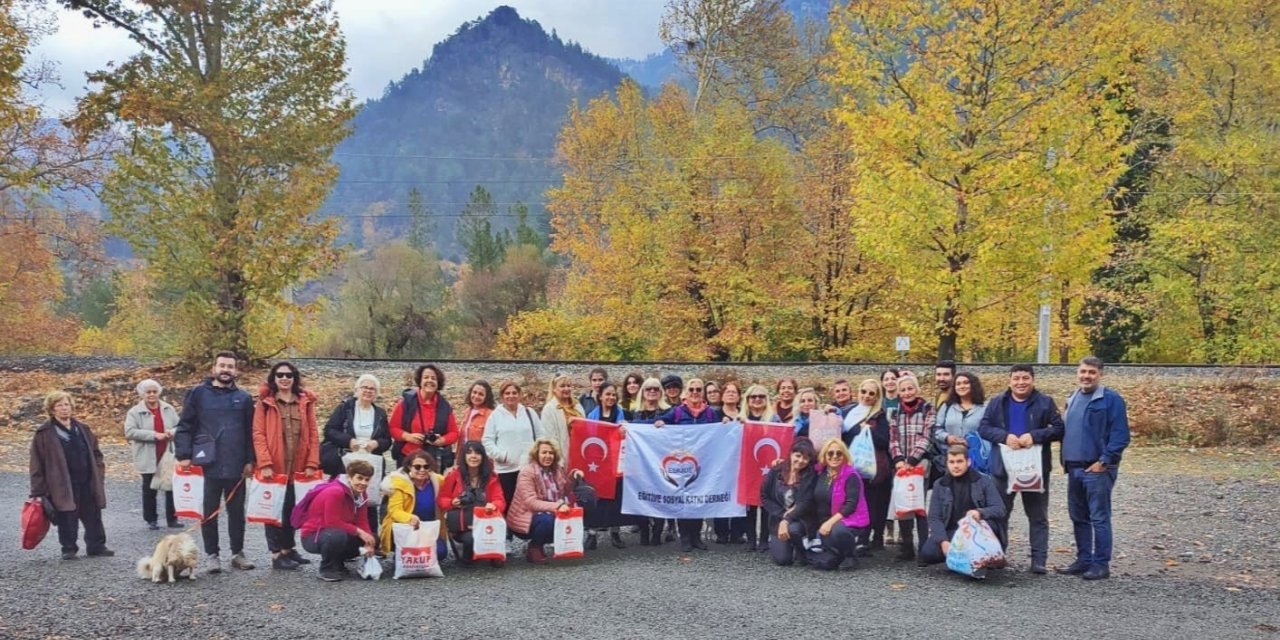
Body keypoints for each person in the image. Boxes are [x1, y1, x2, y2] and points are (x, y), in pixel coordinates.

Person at [978, 364, 1065, 574]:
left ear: (1033, 380)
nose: (1021, 382)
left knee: (1037, 515)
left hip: (1034, 469)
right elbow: (984, 428)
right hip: (1003, 469)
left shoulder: (1045, 402)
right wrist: (1004, 437)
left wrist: (1035, 436)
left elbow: (1059, 429)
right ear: (1009, 381)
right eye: (1016, 378)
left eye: (1025, 378)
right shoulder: (997, 402)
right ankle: (996, 554)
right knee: (999, 513)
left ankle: (1038, 560)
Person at [174, 351, 255, 574]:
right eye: (222, 366)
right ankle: (212, 555)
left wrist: (250, 460)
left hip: (236, 465)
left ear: (236, 371)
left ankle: (237, 553)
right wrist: (184, 454)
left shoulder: (244, 398)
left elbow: (250, 432)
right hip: (207, 464)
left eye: (230, 366)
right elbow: (185, 426)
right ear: (214, 369)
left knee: (237, 513)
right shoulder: (198, 394)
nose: (226, 370)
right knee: (209, 511)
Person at [1058, 357, 1130, 581]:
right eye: (1083, 371)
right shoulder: (1072, 398)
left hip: (1097, 469)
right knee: (1078, 517)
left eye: (1091, 372)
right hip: (1074, 468)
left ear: (1100, 374)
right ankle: (1083, 560)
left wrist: (1104, 461)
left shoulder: (1111, 399)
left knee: (1099, 518)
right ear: (1077, 373)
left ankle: (1101, 564)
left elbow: (1120, 435)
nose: (1086, 376)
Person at [252, 361, 322, 571]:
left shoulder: (305, 402)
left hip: (298, 466)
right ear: (274, 378)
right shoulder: (265, 403)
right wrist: (265, 463)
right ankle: (276, 554)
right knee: (273, 510)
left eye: (289, 375)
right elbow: (258, 434)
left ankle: (288, 548)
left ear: (294, 378)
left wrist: (312, 462)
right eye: (280, 375)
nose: (284, 378)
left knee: (293, 508)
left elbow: (313, 433)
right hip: (275, 466)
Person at [30, 391, 112, 560]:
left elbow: (97, 454)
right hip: (61, 483)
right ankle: (68, 548)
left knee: (93, 514)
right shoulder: (44, 433)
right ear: (52, 409)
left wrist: (99, 474)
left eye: (67, 404)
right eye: (59, 405)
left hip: (87, 480)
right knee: (67, 515)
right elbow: (36, 463)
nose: (64, 408)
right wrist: (38, 491)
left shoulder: (83, 429)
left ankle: (96, 546)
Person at [655, 378, 723, 552]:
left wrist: (726, 425)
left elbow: (721, 434)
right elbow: (659, 424)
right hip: (681, 464)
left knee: (699, 499)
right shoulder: (677, 412)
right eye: (691, 389)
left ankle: (696, 537)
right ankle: (685, 537)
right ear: (686, 392)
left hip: (703, 464)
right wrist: (656, 423)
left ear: (703, 393)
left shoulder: (711, 413)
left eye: (698, 389)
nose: (695, 393)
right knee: (683, 500)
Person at [919, 445, 1006, 577]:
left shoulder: (983, 481)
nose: (956, 466)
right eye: (952, 462)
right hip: (953, 531)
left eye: (959, 461)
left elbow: (999, 508)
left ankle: (981, 560)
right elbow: (934, 517)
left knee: (988, 528)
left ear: (968, 462)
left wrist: (980, 512)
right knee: (928, 553)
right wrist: (943, 541)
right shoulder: (940, 484)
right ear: (947, 463)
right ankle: (958, 559)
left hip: (978, 531)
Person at [320, 374, 391, 535]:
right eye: (364, 387)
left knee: (368, 501)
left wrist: (376, 443)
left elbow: (387, 440)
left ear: (376, 393)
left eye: (372, 389)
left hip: (370, 462)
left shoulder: (380, 413)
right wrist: (349, 441)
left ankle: (370, 538)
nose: (368, 391)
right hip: (347, 461)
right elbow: (329, 430)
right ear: (356, 390)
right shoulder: (345, 408)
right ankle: (343, 535)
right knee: (345, 499)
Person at [507, 438, 584, 564]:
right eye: (544, 452)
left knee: (575, 512)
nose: (548, 456)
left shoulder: (557, 469)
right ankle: (534, 546)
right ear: (536, 454)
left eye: (551, 453)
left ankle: (549, 543)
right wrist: (557, 506)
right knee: (547, 521)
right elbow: (531, 502)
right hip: (526, 517)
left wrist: (574, 476)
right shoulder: (527, 472)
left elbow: (565, 490)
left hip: (549, 511)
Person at [299, 459, 377, 582]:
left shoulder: (362, 494)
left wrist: (369, 540)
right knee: (337, 535)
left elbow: (362, 520)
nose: (363, 483)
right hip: (314, 535)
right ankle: (327, 568)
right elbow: (332, 522)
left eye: (367, 480)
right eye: (359, 478)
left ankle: (338, 562)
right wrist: (360, 532)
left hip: (336, 532)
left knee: (373, 538)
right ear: (349, 477)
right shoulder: (335, 492)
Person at [888, 375, 935, 561]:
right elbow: (893, 438)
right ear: (899, 393)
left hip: (920, 464)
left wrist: (913, 459)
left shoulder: (927, 409)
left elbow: (927, 436)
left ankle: (924, 548)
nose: (907, 393)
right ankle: (907, 547)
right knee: (903, 504)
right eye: (903, 390)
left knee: (918, 504)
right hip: (901, 465)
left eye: (910, 388)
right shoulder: (895, 412)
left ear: (917, 389)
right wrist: (898, 459)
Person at [438, 441, 506, 566]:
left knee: (499, 527)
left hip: (485, 522)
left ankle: (491, 552)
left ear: (483, 457)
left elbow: (500, 500)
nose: (473, 456)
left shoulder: (491, 477)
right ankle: (465, 549)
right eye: (469, 453)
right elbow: (442, 499)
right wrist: (452, 502)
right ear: (463, 456)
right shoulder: (454, 475)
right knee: (470, 544)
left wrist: (494, 505)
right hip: (463, 525)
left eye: (477, 453)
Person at [805, 439, 870, 570]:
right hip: (825, 519)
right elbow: (799, 465)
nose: (834, 456)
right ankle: (836, 554)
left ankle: (850, 556)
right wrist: (779, 464)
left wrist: (829, 523)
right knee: (827, 560)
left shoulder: (851, 475)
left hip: (850, 519)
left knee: (837, 531)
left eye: (839, 453)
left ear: (844, 455)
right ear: (824, 455)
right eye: (830, 453)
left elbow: (850, 505)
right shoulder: (820, 472)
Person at [123, 379, 180, 530]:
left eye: (154, 391)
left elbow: (180, 426)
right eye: (148, 392)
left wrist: (172, 432)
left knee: (171, 487)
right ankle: (151, 519)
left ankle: (172, 519)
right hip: (147, 454)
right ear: (142, 394)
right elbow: (129, 432)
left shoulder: (168, 408)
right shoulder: (134, 412)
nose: (152, 395)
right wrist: (153, 435)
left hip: (167, 453)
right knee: (149, 489)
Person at [845, 381, 893, 550]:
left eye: (871, 393)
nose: (866, 396)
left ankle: (869, 538)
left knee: (872, 503)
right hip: (850, 465)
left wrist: (869, 430)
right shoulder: (849, 412)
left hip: (869, 467)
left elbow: (884, 441)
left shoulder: (879, 416)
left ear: (877, 397)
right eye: (864, 391)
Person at [482, 380, 542, 510]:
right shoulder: (495, 416)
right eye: (507, 393)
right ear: (502, 396)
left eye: (514, 393)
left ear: (520, 395)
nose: (511, 396)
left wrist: (537, 456)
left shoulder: (529, 413)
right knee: (508, 503)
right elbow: (487, 441)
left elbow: (540, 436)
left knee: (528, 502)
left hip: (528, 467)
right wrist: (501, 456)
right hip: (506, 469)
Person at [584, 382, 630, 549]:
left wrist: (625, 431)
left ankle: (615, 532)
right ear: (600, 396)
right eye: (608, 394)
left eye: (613, 394)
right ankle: (592, 533)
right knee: (597, 498)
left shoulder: (621, 414)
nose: (611, 397)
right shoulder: (592, 415)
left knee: (616, 499)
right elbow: (586, 437)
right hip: (597, 463)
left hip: (616, 462)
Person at [379, 450, 448, 561]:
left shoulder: (438, 481)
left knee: (440, 553)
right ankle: (402, 552)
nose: (422, 470)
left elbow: (451, 488)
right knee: (407, 556)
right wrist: (409, 518)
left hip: (429, 529)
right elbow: (394, 511)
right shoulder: (399, 483)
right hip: (406, 528)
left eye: (426, 467)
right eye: (417, 467)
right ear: (409, 467)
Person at [389, 364, 459, 469]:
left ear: (438, 383)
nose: (429, 380)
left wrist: (441, 440)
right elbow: (393, 428)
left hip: (433, 459)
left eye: (433, 378)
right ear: (420, 381)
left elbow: (454, 433)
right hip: (408, 458)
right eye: (426, 377)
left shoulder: (444, 406)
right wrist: (408, 436)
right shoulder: (406, 402)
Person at [761, 439, 818, 566]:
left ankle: (801, 550)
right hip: (778, 518)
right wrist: (782, 515)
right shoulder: (776, 470)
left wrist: (786, 520)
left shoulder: (811, 475)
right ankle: (787, 545)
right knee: (783, 560)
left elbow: (805, 503)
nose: (801, 460)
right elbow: (765, 496)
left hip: (801, 519)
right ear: (791, 453)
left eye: (805, 458)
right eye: (798, 455)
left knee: (793, 530)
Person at [627, 377, 669, 546]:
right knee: (640, 495)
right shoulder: (635, 412)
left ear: (661, 392)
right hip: (640, 462)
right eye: (648, 388)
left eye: (656, 388)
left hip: (660, 460)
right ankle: (644, 530)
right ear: (642, 392)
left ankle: (657, 532)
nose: (652, 391)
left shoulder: (667, 412)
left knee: (660, 496)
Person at [930, 372, 986, 480]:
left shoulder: (984, 408)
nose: (962, 386)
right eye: (958, 384)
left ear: (973, 385)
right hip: (949, 459)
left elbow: (987, 432)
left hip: (975, 459)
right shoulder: (946, 407)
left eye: (965, 383)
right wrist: (947, 437)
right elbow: (936, 429)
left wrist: (971, 442)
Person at [540, 373, 584, 460]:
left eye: (568, 386)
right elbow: (550, 438)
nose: (566, 389)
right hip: (562, 455)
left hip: (579, 451)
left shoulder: (577, 406)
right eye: (562, 386)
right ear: (554, 389)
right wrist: (558, 460)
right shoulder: (549, 409)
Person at [458, 380, 496, 460]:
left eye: (481, 394)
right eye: (474, 392)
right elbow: (462, 439)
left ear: (486, 397)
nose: (476, 396)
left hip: (482, 459)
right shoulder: (467, 412)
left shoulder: (491, 415)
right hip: (466, 458)